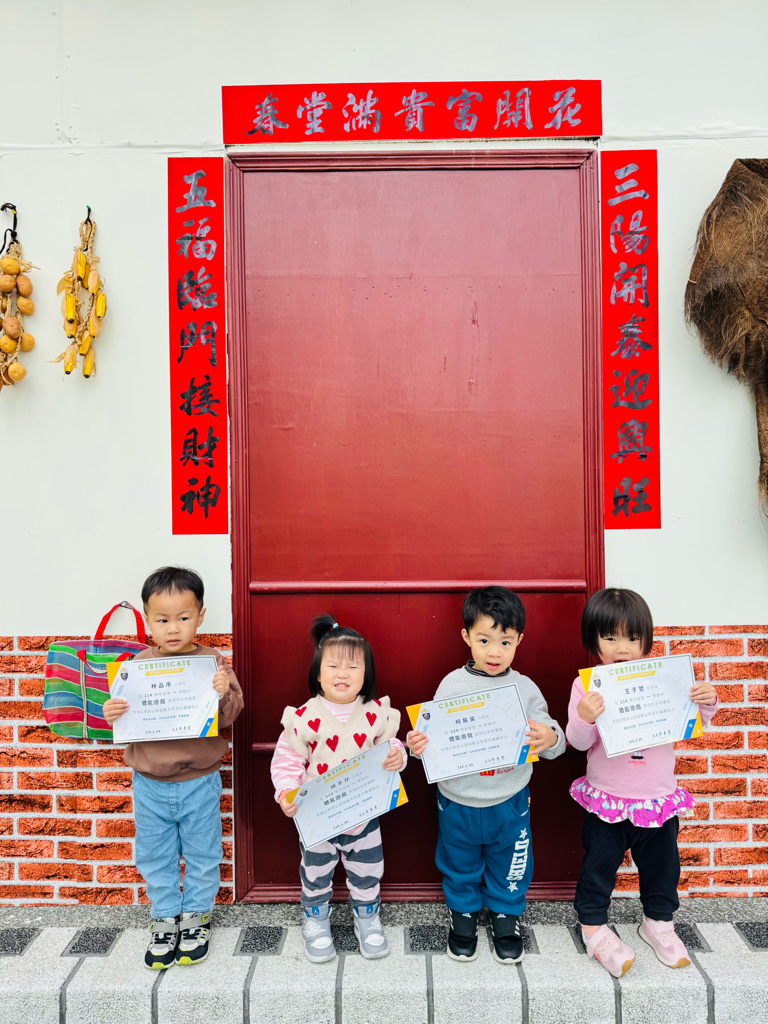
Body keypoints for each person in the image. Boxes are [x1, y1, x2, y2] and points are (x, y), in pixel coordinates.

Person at [407, 586, 565, 964]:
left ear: (519, 640)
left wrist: (550, 737)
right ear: (466, 637)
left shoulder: (525, 688)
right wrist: (417, 746)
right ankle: (462, 914)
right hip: (457, 799)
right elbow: (433, 742)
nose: (495, 652)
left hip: (509, 799)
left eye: (505, 642)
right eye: (484, 640)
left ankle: (505, 915)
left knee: (511, 861)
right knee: (457, 860)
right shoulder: (451, 684)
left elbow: (554, 742)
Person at [567, 587, 718, 978]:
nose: (622, 648)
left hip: (657, 799)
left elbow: (691, 724)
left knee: (663, 867)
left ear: (646, 640)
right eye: (610, 637)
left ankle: (659, 924)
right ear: (593, 640)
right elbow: (578, 742)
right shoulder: (588, 685)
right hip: (608, 800)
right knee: (599, 866)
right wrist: (584, 716)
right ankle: (593, 928)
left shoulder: (665, 679)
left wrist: (706, 702)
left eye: (632, 638)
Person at [103, 566, 243, 970]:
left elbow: (232, 715)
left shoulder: (212, 663)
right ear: (148, 621)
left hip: (200, 779)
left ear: (200, 616)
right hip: (148, 782)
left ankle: (196, 917)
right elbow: (125, 722)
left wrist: (222, 694)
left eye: (183, 617)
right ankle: (164, 919)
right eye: (162, 620)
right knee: (155, 855)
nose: (173, 628)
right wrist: (112, 712)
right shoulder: (136, 667)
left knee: (203, 852)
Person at [272, 614, 407, 963]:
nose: (342, 674)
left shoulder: (375, 713)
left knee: (368, 868)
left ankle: (367, 917)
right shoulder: (305, 717)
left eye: (353, 666)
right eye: (333, 666)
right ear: (318, 673)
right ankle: (316, 919)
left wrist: (397, 756)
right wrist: (286, 791)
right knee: (315, 870)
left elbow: (391, 746)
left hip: (363, 814)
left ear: (366, 674)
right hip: (318, 815)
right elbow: (287, 760)